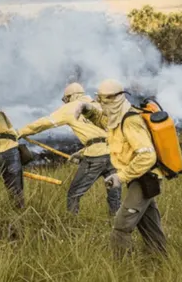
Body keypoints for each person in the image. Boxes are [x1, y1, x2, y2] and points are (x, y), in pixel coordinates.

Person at [71, 79, 167, 258]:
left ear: (113, 99)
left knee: (121, 227)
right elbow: (103, 120)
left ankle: (122, 268)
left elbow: (147, 155)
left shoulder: (130, 122)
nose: (100, 104)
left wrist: (120, 177)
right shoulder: (117, 117)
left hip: (145, 178)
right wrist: (86, 109)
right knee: (149, 225)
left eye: (102, 100)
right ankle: (160, 260)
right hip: (140, 179)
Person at [17, 82, 121, 217]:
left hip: (96, 156)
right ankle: (117, 223)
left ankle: (71, 223)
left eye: (65, 99)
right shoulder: (98, 105)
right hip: (114, 153)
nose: (65, 102)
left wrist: (20, 132)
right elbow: (102, 136)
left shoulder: (71, 107)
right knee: (114, 193)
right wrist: (82, 152)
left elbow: (44, 123)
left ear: (71, 96)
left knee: (74, 194)